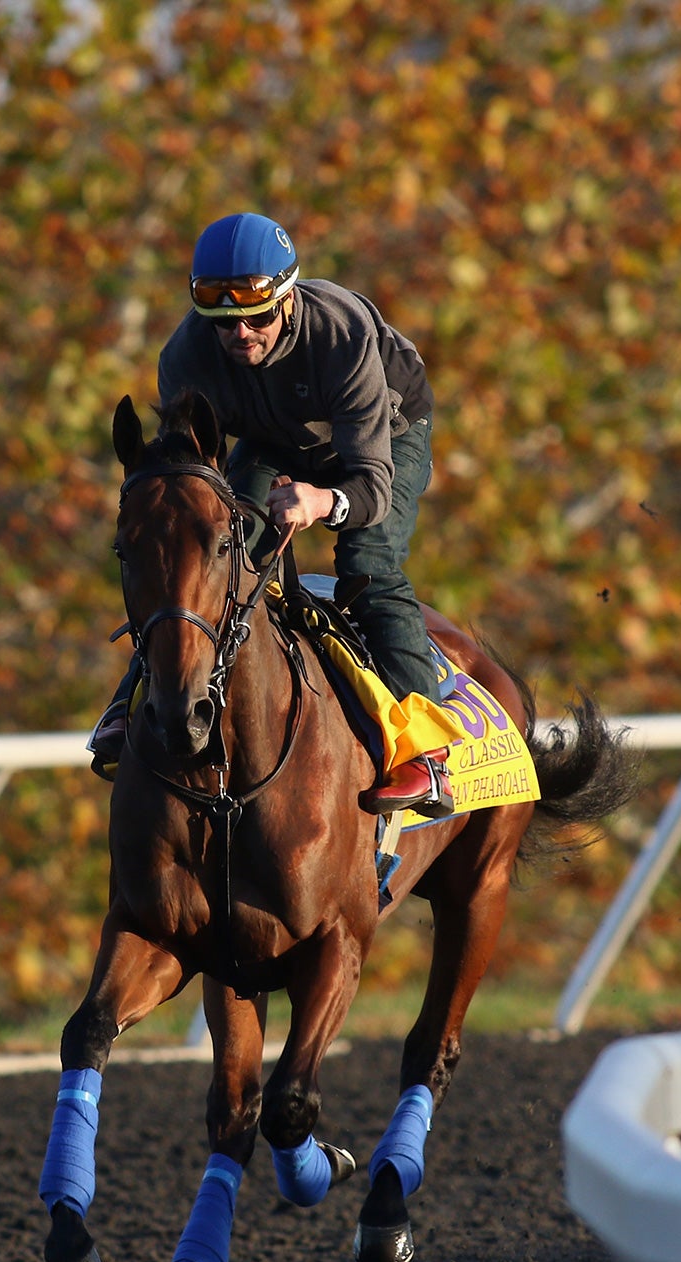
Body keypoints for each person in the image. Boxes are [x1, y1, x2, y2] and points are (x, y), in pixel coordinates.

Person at [88, 211, 454, 817]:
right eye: (223, 322)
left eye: (256, 317)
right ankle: (136, 701)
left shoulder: (340, 335)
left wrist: (318, 501)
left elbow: (370, 485)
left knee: (368, 563)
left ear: (288, 298)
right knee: (211, 555)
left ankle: (426, 755)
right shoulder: (185, 356)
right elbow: (190, 482)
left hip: (383, 437)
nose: (240, 335)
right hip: (276, 438)